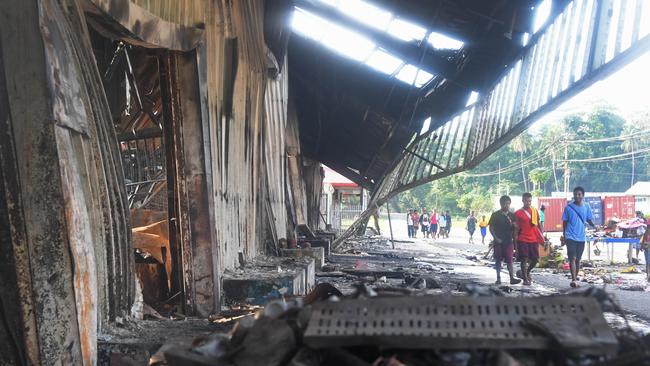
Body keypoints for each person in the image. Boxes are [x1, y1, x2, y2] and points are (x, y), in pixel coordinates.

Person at [561, 186, 596, 288]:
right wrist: (564, 235)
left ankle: (575, 280)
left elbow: (589, 219)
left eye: (579, 194)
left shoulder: (587, 206)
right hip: (570, 236)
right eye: (575, 194)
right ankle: (573, 279)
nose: (577, 196)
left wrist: (595, 226)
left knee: (578, 260)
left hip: (581, 237)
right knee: (572, 258)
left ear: (583, 195)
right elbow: (564, 222)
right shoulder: (568, 208)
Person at [488, 196, 521, 285]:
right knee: (498, 260)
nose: (506, 205)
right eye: (505, 203)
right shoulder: (495, 215)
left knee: (510, 260)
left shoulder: (512, 216)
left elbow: (515, 229)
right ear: (501, 204)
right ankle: (498, 278)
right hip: (498, 241)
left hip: (508, 241)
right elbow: (491, 228)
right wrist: (496, 238)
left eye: (508, 204)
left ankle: (512, 278)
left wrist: (515, 241)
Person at [514, 192, 545, 286]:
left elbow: (539, 224)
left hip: (534, 239)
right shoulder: (517, 213)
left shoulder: (535, 211)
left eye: (530, 201)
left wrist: (542, 235)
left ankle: (527, 272)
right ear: (523, 200)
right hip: (522, 239)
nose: (528, 203)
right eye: (526, 201)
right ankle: (525, 279)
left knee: (535, 260)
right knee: (524, 259)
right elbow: (515, 228)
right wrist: (515, 242)